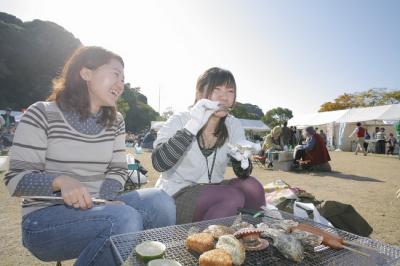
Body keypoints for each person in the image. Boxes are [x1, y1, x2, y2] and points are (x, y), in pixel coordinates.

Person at [4, 46, 175, 266]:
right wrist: (61, 182)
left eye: (123, 79)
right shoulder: (42, 113)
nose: (121, 84)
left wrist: (105, 200)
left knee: (160, 200)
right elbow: (15, 180)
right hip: (43, 220)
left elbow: (118, 170)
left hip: (101, 206)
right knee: (125, 218)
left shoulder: (116, 121)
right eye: (115, 74)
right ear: (86, 73)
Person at [152, 67, 265, 224]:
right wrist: (192, 126)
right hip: (177, 193)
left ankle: (255, 237)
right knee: (231, 196)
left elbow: (243, 174)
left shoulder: (232, 124)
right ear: (199, 93)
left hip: (215, 188)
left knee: (252, 186)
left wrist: (241, 159)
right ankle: (202, 244)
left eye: (230, 91)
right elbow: (159, 163)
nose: (224, 97)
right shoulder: (180, 119)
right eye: (216, 89)